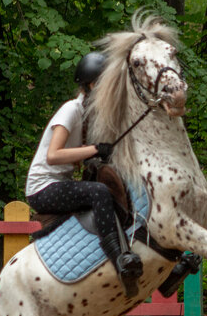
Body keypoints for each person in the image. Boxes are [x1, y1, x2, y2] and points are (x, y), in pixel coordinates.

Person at [26, 51, 143, 297]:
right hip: (42, 189)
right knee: (99, 192)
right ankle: (118, 257)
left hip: (59, 184)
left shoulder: (88, 115)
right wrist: (93, 150)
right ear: (92, 85)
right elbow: (53, 156)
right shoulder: (71, 110)